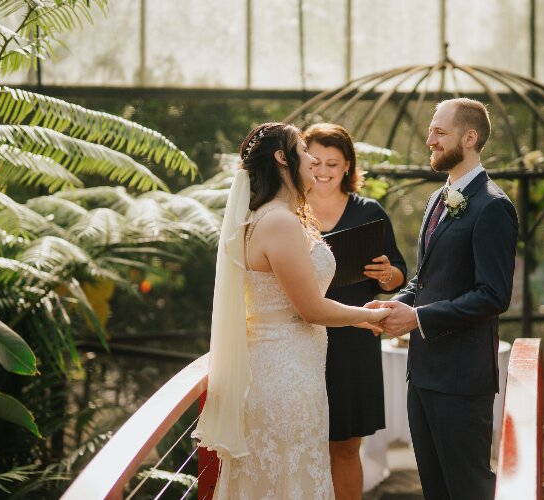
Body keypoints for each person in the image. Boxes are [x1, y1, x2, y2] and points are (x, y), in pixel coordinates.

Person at [192, 122, 392, 499]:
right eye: (305, 151)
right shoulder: (279, 222)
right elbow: (311, 309)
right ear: (283, 159)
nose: (313, 160)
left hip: (295, 367)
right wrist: (369, 316)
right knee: (289, 475)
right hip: (283, 375)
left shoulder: (277, 218)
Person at [366, 98, 518, 499]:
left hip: (462, 381)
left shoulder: (493, 207)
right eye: (431, 130)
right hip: (424, 373)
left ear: (470, 138)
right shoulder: (438, 198)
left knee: (467, 490)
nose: (429, 138)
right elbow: (426, 278)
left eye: (439, 131)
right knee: (434, 489)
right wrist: (396, 303)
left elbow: (493, 296)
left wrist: (417, 319)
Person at [303, 123, 407, 499]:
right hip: (299, 338)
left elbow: (398, 275)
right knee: (302, 446)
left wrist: (388, 274)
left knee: (346, 447)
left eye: (333, 162)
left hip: (354, 341)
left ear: (348, 166)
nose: (323, 170)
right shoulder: (288, 211)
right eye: (315, 161)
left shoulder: (368, 211)